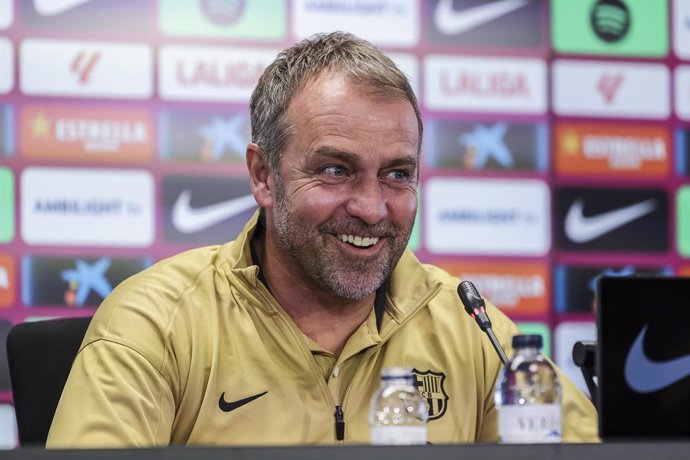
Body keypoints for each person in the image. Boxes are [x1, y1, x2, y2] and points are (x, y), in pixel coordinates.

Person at [47, 32, 598, 447]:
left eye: (398, 174)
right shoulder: (156, 323)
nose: (371, 207)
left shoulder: (467, 323)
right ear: (264, 176)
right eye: (335, 170)